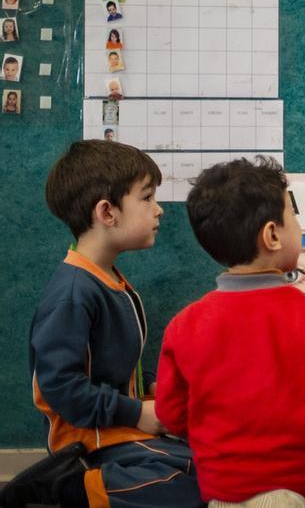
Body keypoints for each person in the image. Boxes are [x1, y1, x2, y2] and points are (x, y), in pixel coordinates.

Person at [0, 140, 201, 508]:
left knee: (212, 461)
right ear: (107, 212)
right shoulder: (74, 293)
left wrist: (159, 392)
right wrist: (139, 413)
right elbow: (61, 387)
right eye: (147, 198)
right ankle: (71, 490)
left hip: (118, 429)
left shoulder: (108, 280)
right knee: (195, 486)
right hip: (88, 444)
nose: (159, 211)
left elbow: (115, 368)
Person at [155, 157, 305, 508]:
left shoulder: (183, 325)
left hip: (224, 484)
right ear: (272, 235)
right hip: (303, 474)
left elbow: (172, 415)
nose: (298, 226)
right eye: (293, 217)